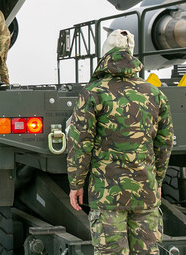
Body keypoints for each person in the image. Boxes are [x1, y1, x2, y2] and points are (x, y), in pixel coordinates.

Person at [66, 30, 174, 255]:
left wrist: (76, 184)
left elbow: (80, 144)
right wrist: (158, 181)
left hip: (108, 196)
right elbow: (164, 144)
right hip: (146, 193)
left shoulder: (93, 93)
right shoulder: (155, 94)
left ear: (105, 57)